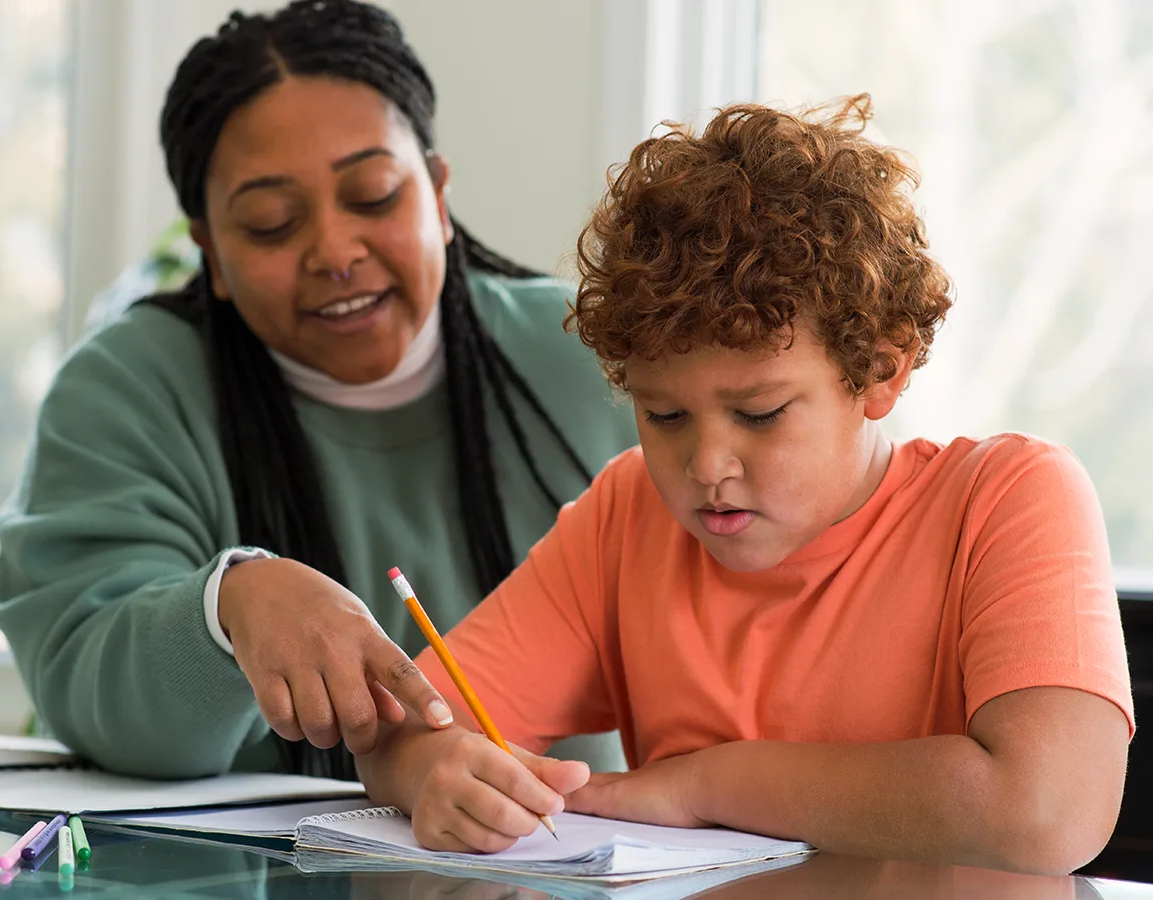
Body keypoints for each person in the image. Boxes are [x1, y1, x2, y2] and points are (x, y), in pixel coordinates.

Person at [353, 95, 1133, 875]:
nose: (705, 467)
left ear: (882, 370)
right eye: (663, 415)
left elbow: (1048, 812)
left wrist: (706, 783)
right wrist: (433, 769)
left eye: (759, 414)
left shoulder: (1010, 498)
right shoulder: (628, 514)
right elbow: (405, 728)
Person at [0, 0, 636, 780]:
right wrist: (229, 608)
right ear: (211, 255)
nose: (334, 251)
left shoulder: (597, 351)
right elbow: (91, 686)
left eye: (372, 195)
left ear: (437, 194)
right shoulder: (126, 390)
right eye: (268, 223)